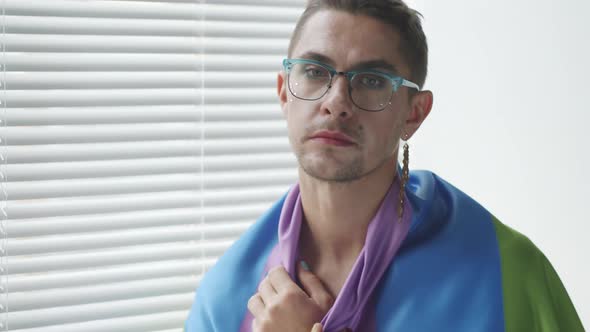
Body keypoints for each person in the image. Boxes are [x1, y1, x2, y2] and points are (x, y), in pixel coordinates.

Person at [184, 0, 584, 331]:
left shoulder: (506, 271)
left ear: (414, 113)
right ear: (283, 94)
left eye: (372, 80)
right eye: (313, 71)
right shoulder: (228, 296)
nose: (337, 101)